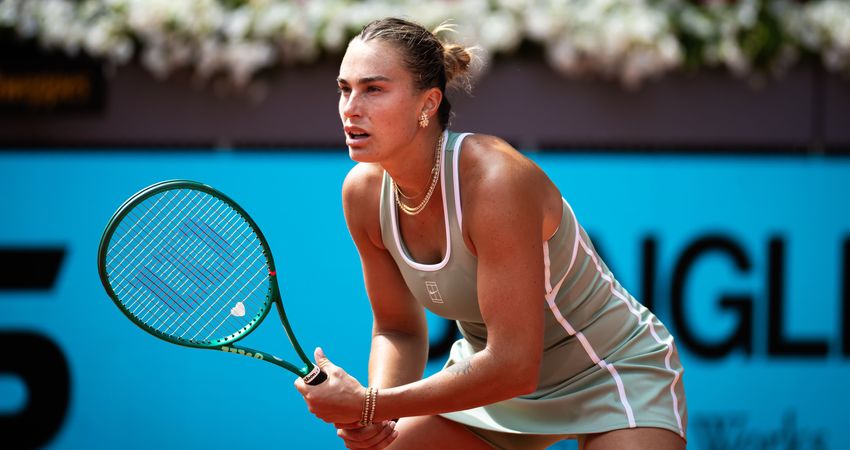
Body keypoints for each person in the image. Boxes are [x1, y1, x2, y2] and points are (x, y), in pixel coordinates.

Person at [294, 17, 688, 450]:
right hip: (490, 385)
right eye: (344, 89)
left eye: (373, 89)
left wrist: (371, 404)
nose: (350, 107)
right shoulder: (363, 194)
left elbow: (515, 365)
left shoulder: (495, 181)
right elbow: (398, 329)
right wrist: (378, 416)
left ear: (428, 103)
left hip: (609, 371)